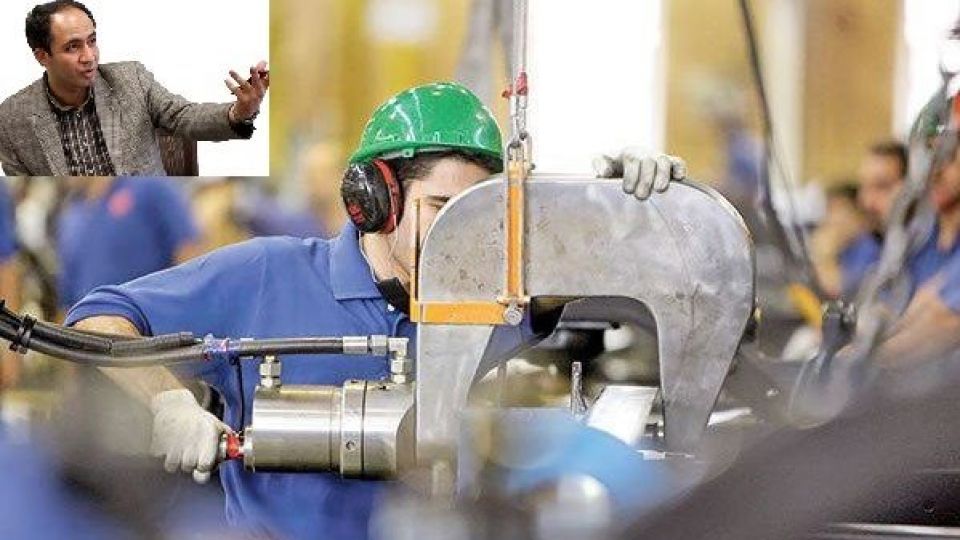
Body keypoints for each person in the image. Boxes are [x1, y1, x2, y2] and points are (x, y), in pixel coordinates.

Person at [64, 82, 687, 539]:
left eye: (476, 215)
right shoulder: (266, 274)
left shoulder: (480, 303)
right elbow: (97, 319)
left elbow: (586, 260)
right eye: (441, 208)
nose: (461, 239)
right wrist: (168, 401)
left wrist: (620, 204)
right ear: (375, 199)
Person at [0, 0, 269, 176]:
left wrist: (239, 112)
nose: (89, 56)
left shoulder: (131, 80)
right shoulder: (11, 118)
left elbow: (183, 116)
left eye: (92, 41)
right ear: (42, 56)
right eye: (73, 47)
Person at [57, 177, 201, 311]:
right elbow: (68, 294)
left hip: (148, 319)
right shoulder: (70, 215)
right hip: (89, 324)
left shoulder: (149, 185)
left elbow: (187, 250)